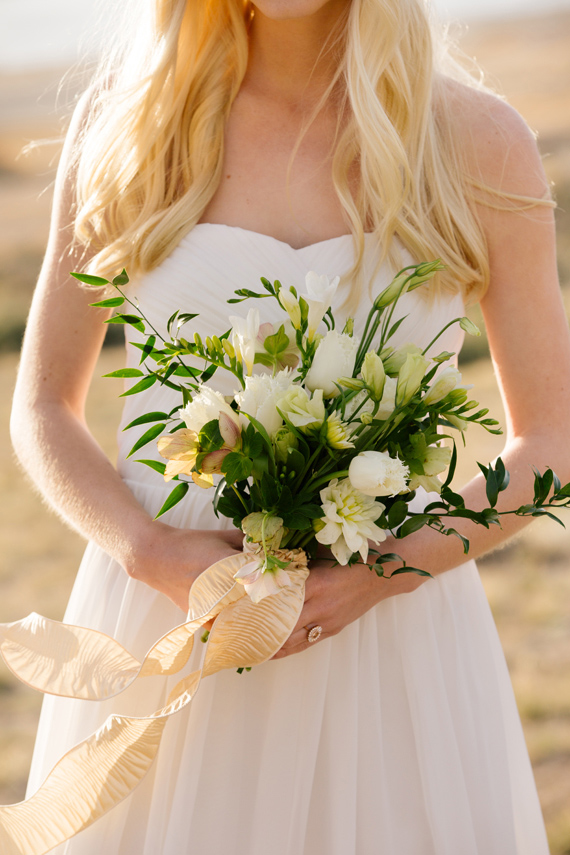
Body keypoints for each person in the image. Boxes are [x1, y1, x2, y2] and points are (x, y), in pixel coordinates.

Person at [7, 0, 570, 852]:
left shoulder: (474, 140)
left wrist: (387, 571)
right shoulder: (134, 124)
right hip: (173, 622)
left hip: (391, 639)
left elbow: (553, 441)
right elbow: (44, 405)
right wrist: (149, 551)